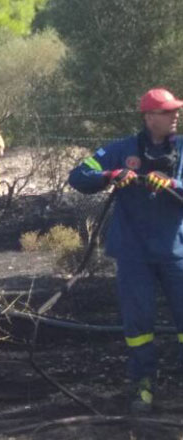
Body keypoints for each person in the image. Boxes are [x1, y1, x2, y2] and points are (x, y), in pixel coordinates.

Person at [68, 87, 183, 413]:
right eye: (167, 111)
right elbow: (79, 175)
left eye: (176, 110)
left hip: (176, 252)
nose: (175, 115)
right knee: (138, 325)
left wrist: (172, 184)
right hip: (133, 254)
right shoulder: (121, 149)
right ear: (148, 117)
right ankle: (143, 384)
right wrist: (110, 174)